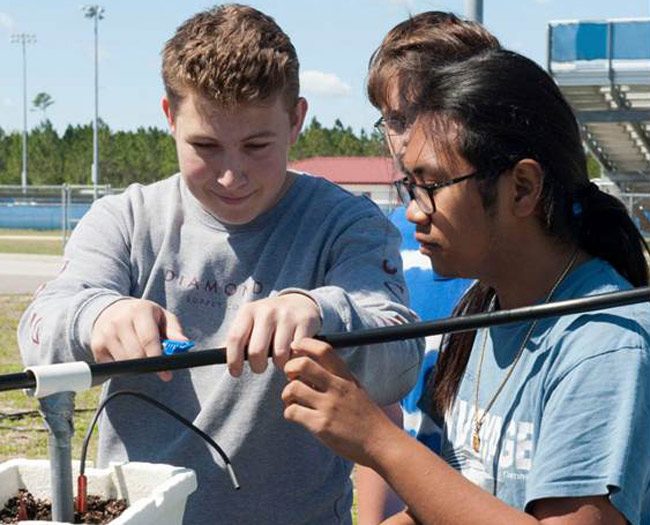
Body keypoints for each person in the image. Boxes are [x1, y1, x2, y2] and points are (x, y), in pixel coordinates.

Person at [18, 4, 423, 524]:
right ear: (169, 117)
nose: (232, 176)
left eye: (257, 146)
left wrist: (319, 311)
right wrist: (96, 316)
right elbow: (38, 327)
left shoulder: (348, 225)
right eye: (205, 146)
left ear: (297, 119)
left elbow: (400, 360)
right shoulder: (126, 218)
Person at [282, 47, 650, 524]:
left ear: (521, 188)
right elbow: (451, 506)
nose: (413, 211)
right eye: (408, 187)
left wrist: (377, 440)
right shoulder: (488, 310)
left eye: (430, 185)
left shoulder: (604, 343)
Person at [357, 13, 493, 523]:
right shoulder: (385, 240)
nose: (404, 139)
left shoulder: (519, 254)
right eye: (393, 120)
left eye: (423, 114)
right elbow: (386, 412)